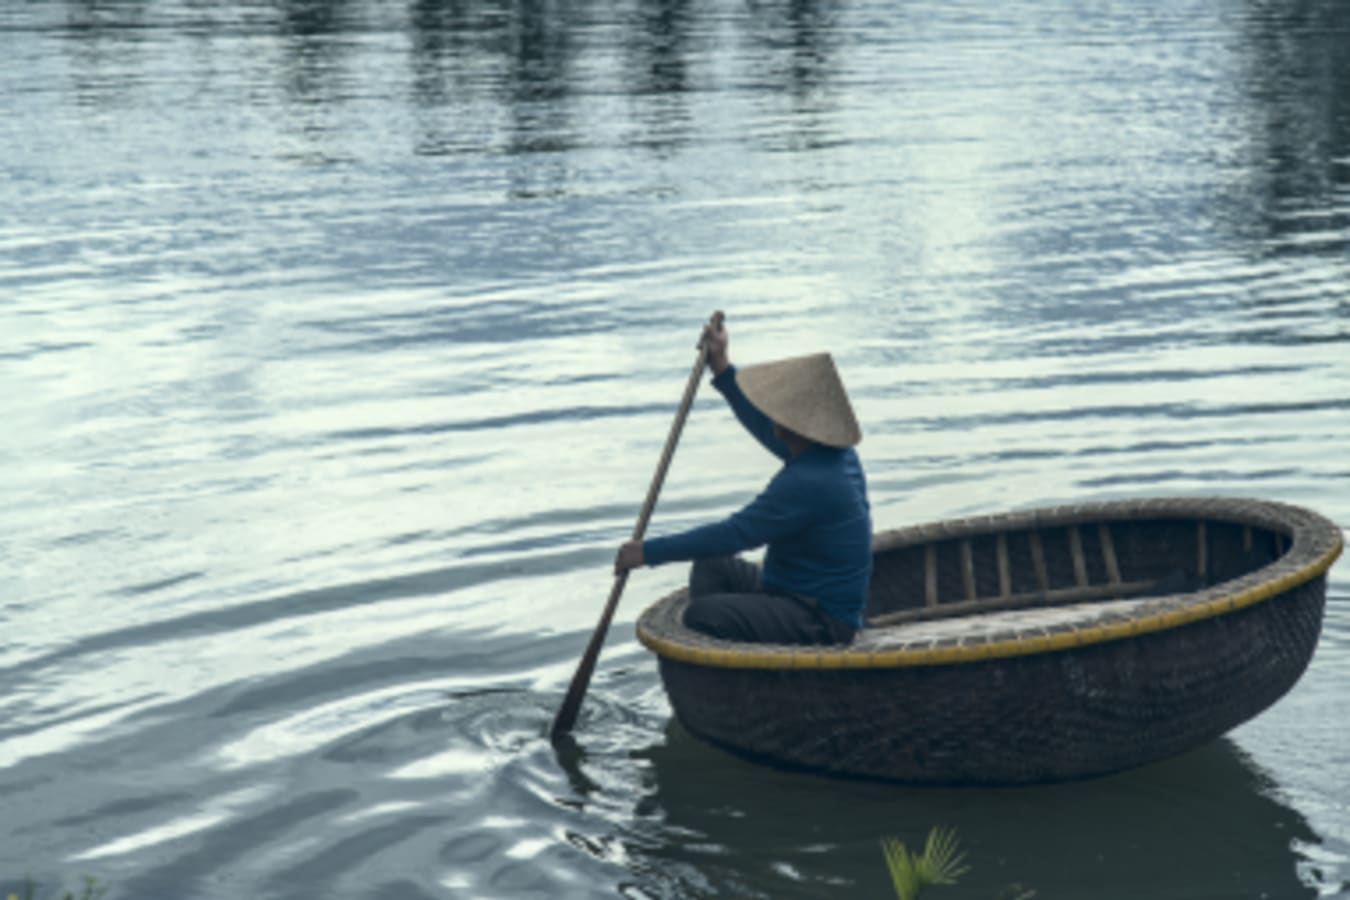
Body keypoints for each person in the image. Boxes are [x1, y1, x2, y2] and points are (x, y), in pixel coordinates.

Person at [614, 318, 872, 645]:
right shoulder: (831, 452)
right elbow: (764, 427)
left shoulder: (809, 482)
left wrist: (647, 553)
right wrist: (721, 368)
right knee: (711, 565)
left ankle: (752, 669)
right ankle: (734, 655)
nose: (772, 414)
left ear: (794, 425)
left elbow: (735, 533)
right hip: (790, 590)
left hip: (821, 619)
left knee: (702, 614)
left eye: (779, 410)